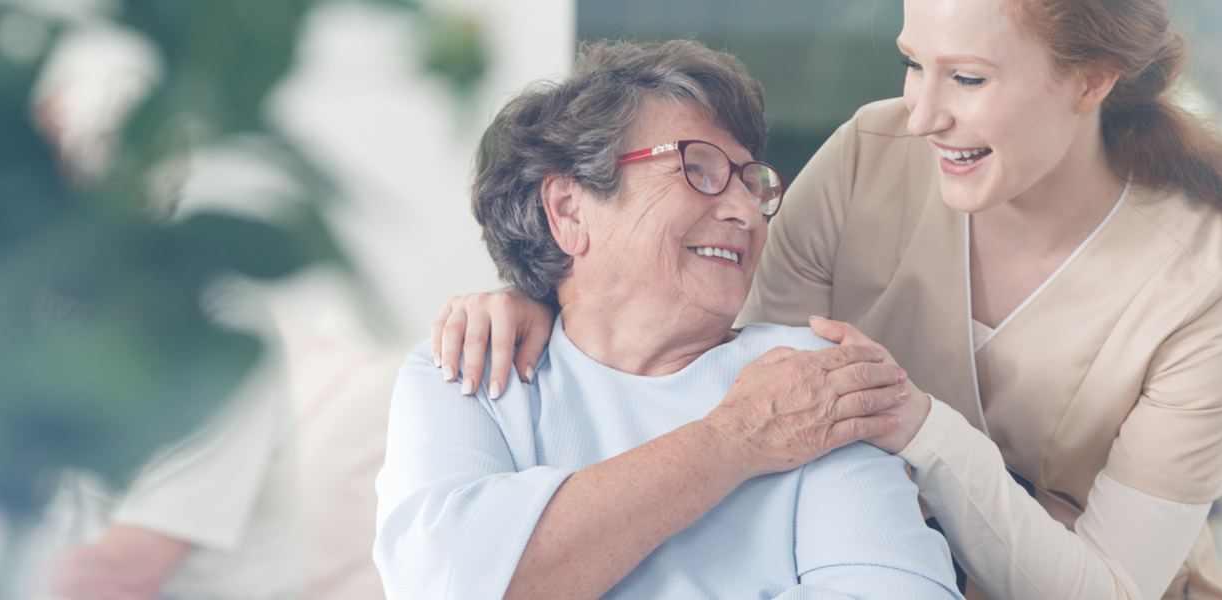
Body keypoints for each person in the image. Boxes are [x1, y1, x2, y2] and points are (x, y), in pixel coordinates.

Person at [429, 0, 1222, 598]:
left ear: (1091, 81)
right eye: (913, 63)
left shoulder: (1212, 283)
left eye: (968, 78)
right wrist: (551, 296)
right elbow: (716, 352)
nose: (921, 114)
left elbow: (1109, 589)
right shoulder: (872, 154)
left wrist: (922, 426)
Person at [375, 39, 964, 600]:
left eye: (750, 182)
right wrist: (731, 439)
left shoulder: (809, 382)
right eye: (699, 169)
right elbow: (444, 581)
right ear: (569, 210)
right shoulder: (470, 367)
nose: (745, 213)